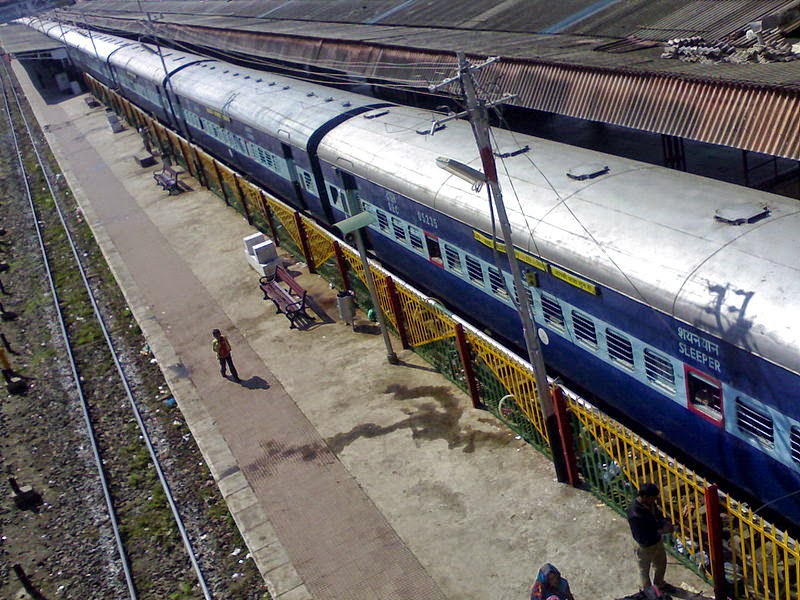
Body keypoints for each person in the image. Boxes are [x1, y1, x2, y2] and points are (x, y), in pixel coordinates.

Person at [627, 483, 676, 593]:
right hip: (645, 546)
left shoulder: (649, 504)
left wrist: (664, 522)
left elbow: (657, 515)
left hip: (656, 541)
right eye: (652, 498)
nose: (654, 501)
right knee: (644, 570)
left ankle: (659, 584)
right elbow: (644, 533)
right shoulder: (635, 514)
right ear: (644, 497)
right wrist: (662, 530)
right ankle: (648, 592)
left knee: (661, 564)